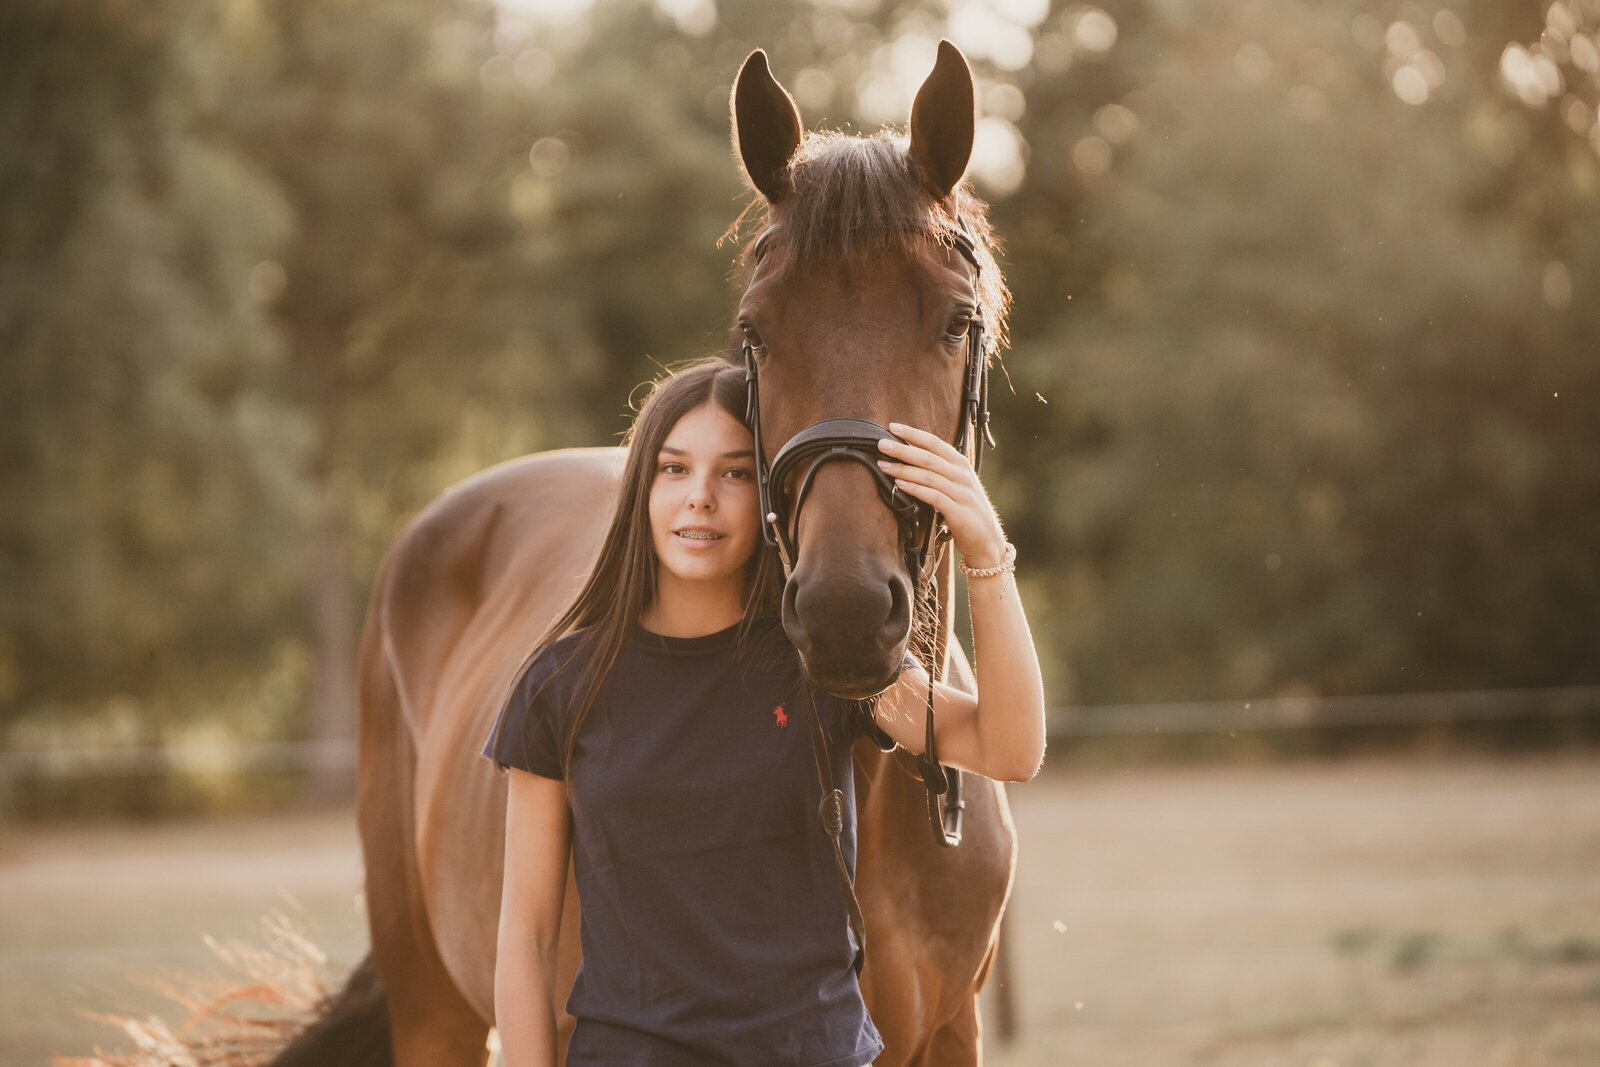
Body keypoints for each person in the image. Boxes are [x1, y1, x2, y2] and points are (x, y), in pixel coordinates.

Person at [485, 358, 1045, 1067]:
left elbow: (1011, 747)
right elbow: (527, 932)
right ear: (642, 490)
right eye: (674, 469)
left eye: (735, 473)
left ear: (777, 494)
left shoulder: (828, 669)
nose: (701, 498)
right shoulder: (561, 684)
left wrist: (985, 548)